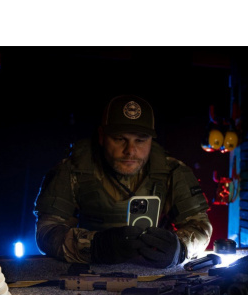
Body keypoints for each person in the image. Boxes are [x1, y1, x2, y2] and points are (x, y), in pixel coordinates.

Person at [33, 94, 213, 269]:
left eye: (140, 140)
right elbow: (47, 232)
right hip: (90, 269)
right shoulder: (73, 170)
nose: (130, 150)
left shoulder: (172, 171)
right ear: (102, 136)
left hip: (150, 270)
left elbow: (200, 227)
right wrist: (95, 246)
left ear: (151, 140)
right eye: (119, 139)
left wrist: (180, 249)